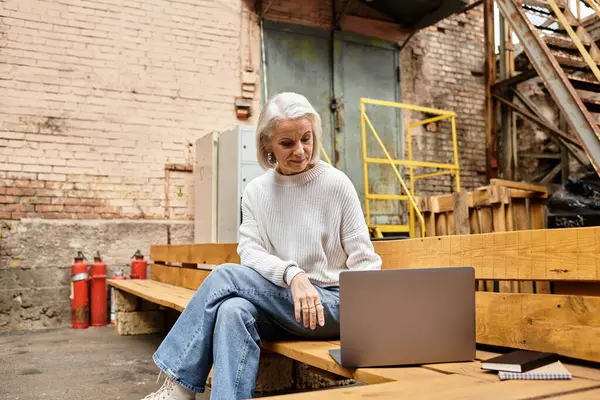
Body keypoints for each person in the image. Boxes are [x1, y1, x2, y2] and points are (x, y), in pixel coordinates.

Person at [142, 92, 382, 400]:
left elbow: (365, 262)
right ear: (267, 144)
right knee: (232, 310)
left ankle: (180, 387)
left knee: (225, 276)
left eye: (306, 139)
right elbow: (250, 252)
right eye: (287, 143)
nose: (301, 151)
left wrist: (371, 324)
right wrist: (293, 274)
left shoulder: (337, 185)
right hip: (284, 305)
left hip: (334, 307)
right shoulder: (256, 192)